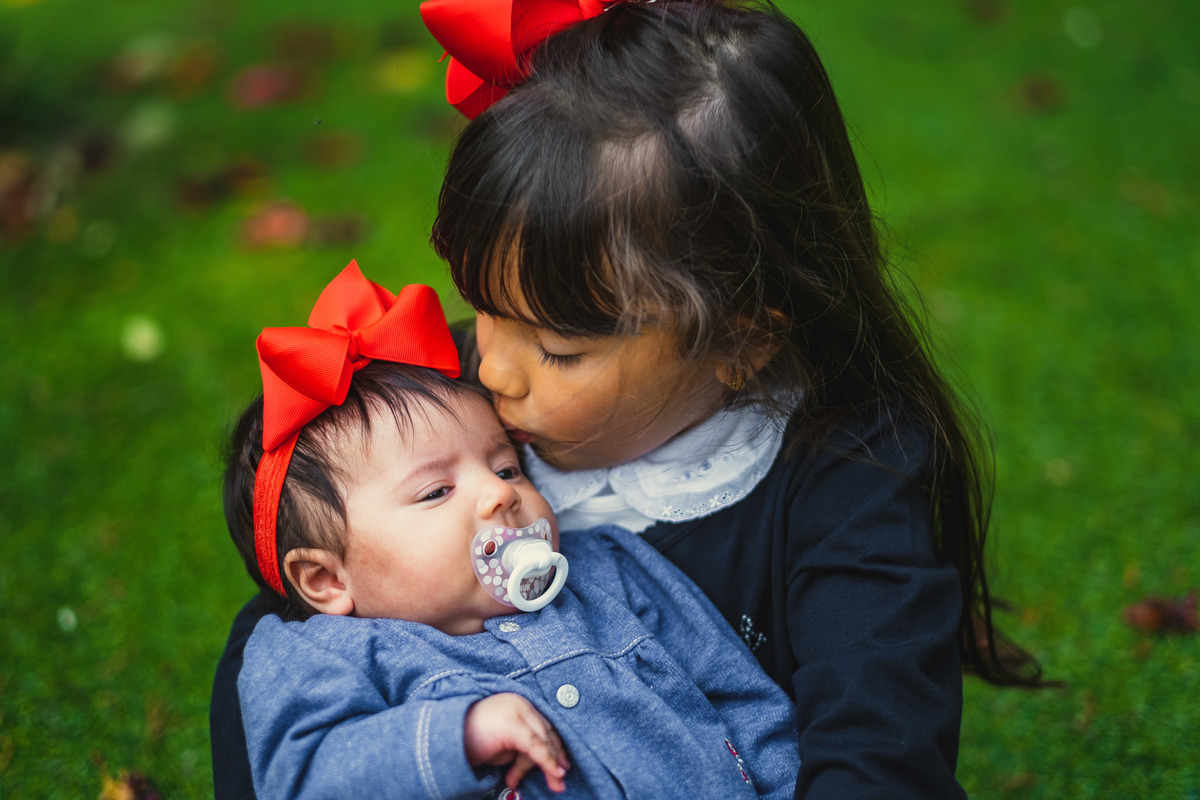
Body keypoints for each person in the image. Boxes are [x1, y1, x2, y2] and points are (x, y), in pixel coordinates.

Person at [211, 1, 1050, 797]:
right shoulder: (452, 408)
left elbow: (878, 755)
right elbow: (303, 619)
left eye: (559, 350)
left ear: (740, 342)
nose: (492, 370)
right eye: (484, 309)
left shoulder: (849, 476)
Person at [224, 261, 800, 799]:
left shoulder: (610, 566)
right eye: (436, 491)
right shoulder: (321, 655)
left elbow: (739, 693)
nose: (500, 494)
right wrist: (458, 736)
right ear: (325, 580)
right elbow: (303, 778)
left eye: (506, 468)